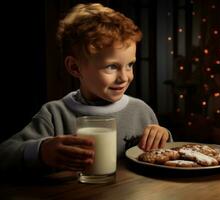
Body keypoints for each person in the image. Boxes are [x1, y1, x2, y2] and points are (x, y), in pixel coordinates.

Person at [0, 3, 172, 175]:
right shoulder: (55, 114)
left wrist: (164, 136)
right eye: (111, 67)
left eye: (130, 65)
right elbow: (5, 154)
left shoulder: (141, 111)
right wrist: (42, 151)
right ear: (75, 67)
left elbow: (166, 156)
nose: (125, 77)